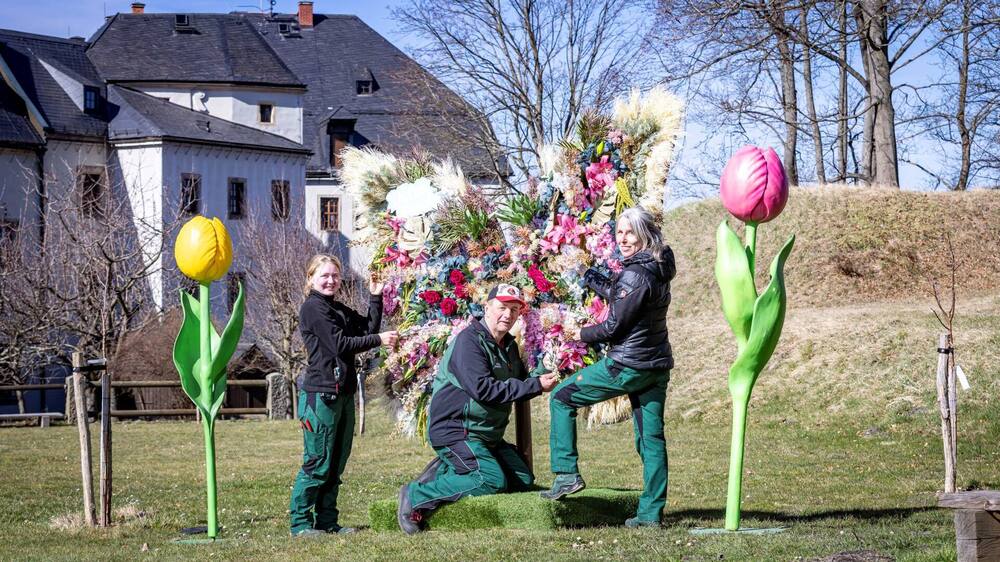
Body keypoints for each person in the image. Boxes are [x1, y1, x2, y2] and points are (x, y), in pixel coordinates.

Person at [541, 206, 676, 528]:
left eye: (630, 232)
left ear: (644, 233)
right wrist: (589, 278)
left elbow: (614, 326)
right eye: (619, 232)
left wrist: (579, 334)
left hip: (628, 365)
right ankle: (650, 515)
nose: (623, 238)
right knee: (651, 440)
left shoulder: (636, 273)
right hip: (656, 366)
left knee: (561, 397)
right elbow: (624, 296)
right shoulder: (656, 266)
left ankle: (565, 473)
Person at [396, 284, 560, 534]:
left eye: (514, 310)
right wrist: (535, 385)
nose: (508, 314)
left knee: (523, 480)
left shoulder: (509, 346)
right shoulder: (468, 342)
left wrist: (551, 365)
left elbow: (522, 380)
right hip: (456, 430)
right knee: (490, 480)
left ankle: (446, 469)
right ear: (487, 308)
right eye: (502, 307)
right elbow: (484, 390)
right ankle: (416, 495)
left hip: (486, 435)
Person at [289, 254, 398, 537]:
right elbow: (339, 344)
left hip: (343, 394)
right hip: (320, 397)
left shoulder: (336, 308)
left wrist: (375, 297)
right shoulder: (313, 308)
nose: (330, 280)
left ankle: (327, 522)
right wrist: (378, 341)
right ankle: (300, 524)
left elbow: (366, 329)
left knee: (336, 463)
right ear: (311, 278)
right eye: (324, 275)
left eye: (335, 276)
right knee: (317, 462)